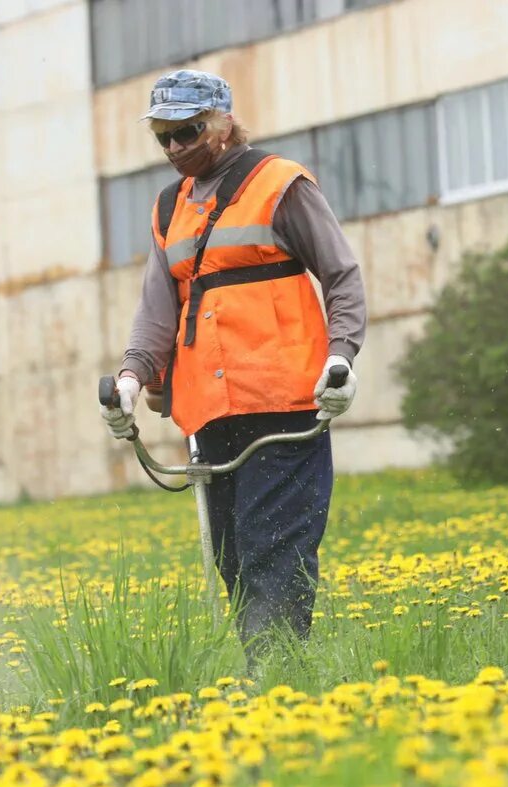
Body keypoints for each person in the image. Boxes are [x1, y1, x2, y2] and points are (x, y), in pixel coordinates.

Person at [98, 69, 367, 660]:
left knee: (271, 547)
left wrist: (341, 357)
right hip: (209, 412)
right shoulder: (168, 209)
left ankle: (274, 682)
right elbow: (157, 311)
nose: (174, 148)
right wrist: (130, 378)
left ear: (222, 123)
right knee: (233, 557)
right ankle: (268, 676)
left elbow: (341, 276)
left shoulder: (281, 185)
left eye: (187, 131)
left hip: (283, 404)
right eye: (163, 137)